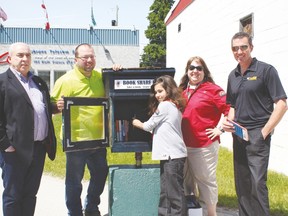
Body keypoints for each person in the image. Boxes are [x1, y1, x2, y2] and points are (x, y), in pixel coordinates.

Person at [51, 43, 121, 216]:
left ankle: (91, 207)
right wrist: (56, 106)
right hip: (76, 140)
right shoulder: (65, 80)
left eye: (92, 56)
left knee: (100, 174)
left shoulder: (100, 77)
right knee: (74, 181)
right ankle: (74, 212)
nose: (89, 60)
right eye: (85, 57)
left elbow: (114, 84)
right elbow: (50, 104)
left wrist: (115, 70)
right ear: (76, 60)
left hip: (98, 138)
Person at [222, 32, 287, 216]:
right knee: (242, 183)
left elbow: (282, 104)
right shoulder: (232, 75)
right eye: (235, 48)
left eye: (243, 47)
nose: (239, 51)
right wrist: (229, 123)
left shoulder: (266, 70)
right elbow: (233, 105)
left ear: (251, 47)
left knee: (257, 183)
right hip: (239, 135)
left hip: (258, 134)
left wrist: (264, 132)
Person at [0, 42, 57, 216]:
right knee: (13, 195)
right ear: (10, 59)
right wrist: (5, 145)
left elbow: (41, 108)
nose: (25, 58)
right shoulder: (2, 81)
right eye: (20, 55)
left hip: (38, 148)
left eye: (28, 55)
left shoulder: (38, 82)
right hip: (14, 150)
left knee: (30, 194)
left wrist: (57, 106)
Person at [179, 56, 230, 216]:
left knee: (206, 181)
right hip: (182, 145)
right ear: (187, 71)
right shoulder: (181, 91)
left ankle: (211, 213)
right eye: (192, 68)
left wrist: (220, 129)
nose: (195, 71)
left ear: (204, 71)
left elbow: (230, 110)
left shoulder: (213, 90)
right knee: (186, 182)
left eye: (199, 68)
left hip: (203, 145)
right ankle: (192, 211)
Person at [132, 75, 188, 216]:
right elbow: (158, 128)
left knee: (174, 193)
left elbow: (148, 125)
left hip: (172, 156)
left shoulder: (165, 105)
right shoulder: (174, 105)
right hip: (169, 155)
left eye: (160, 91)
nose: (157, 95)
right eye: (156, 92)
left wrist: (135, 122)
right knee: (166, 191)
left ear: (168, 90)